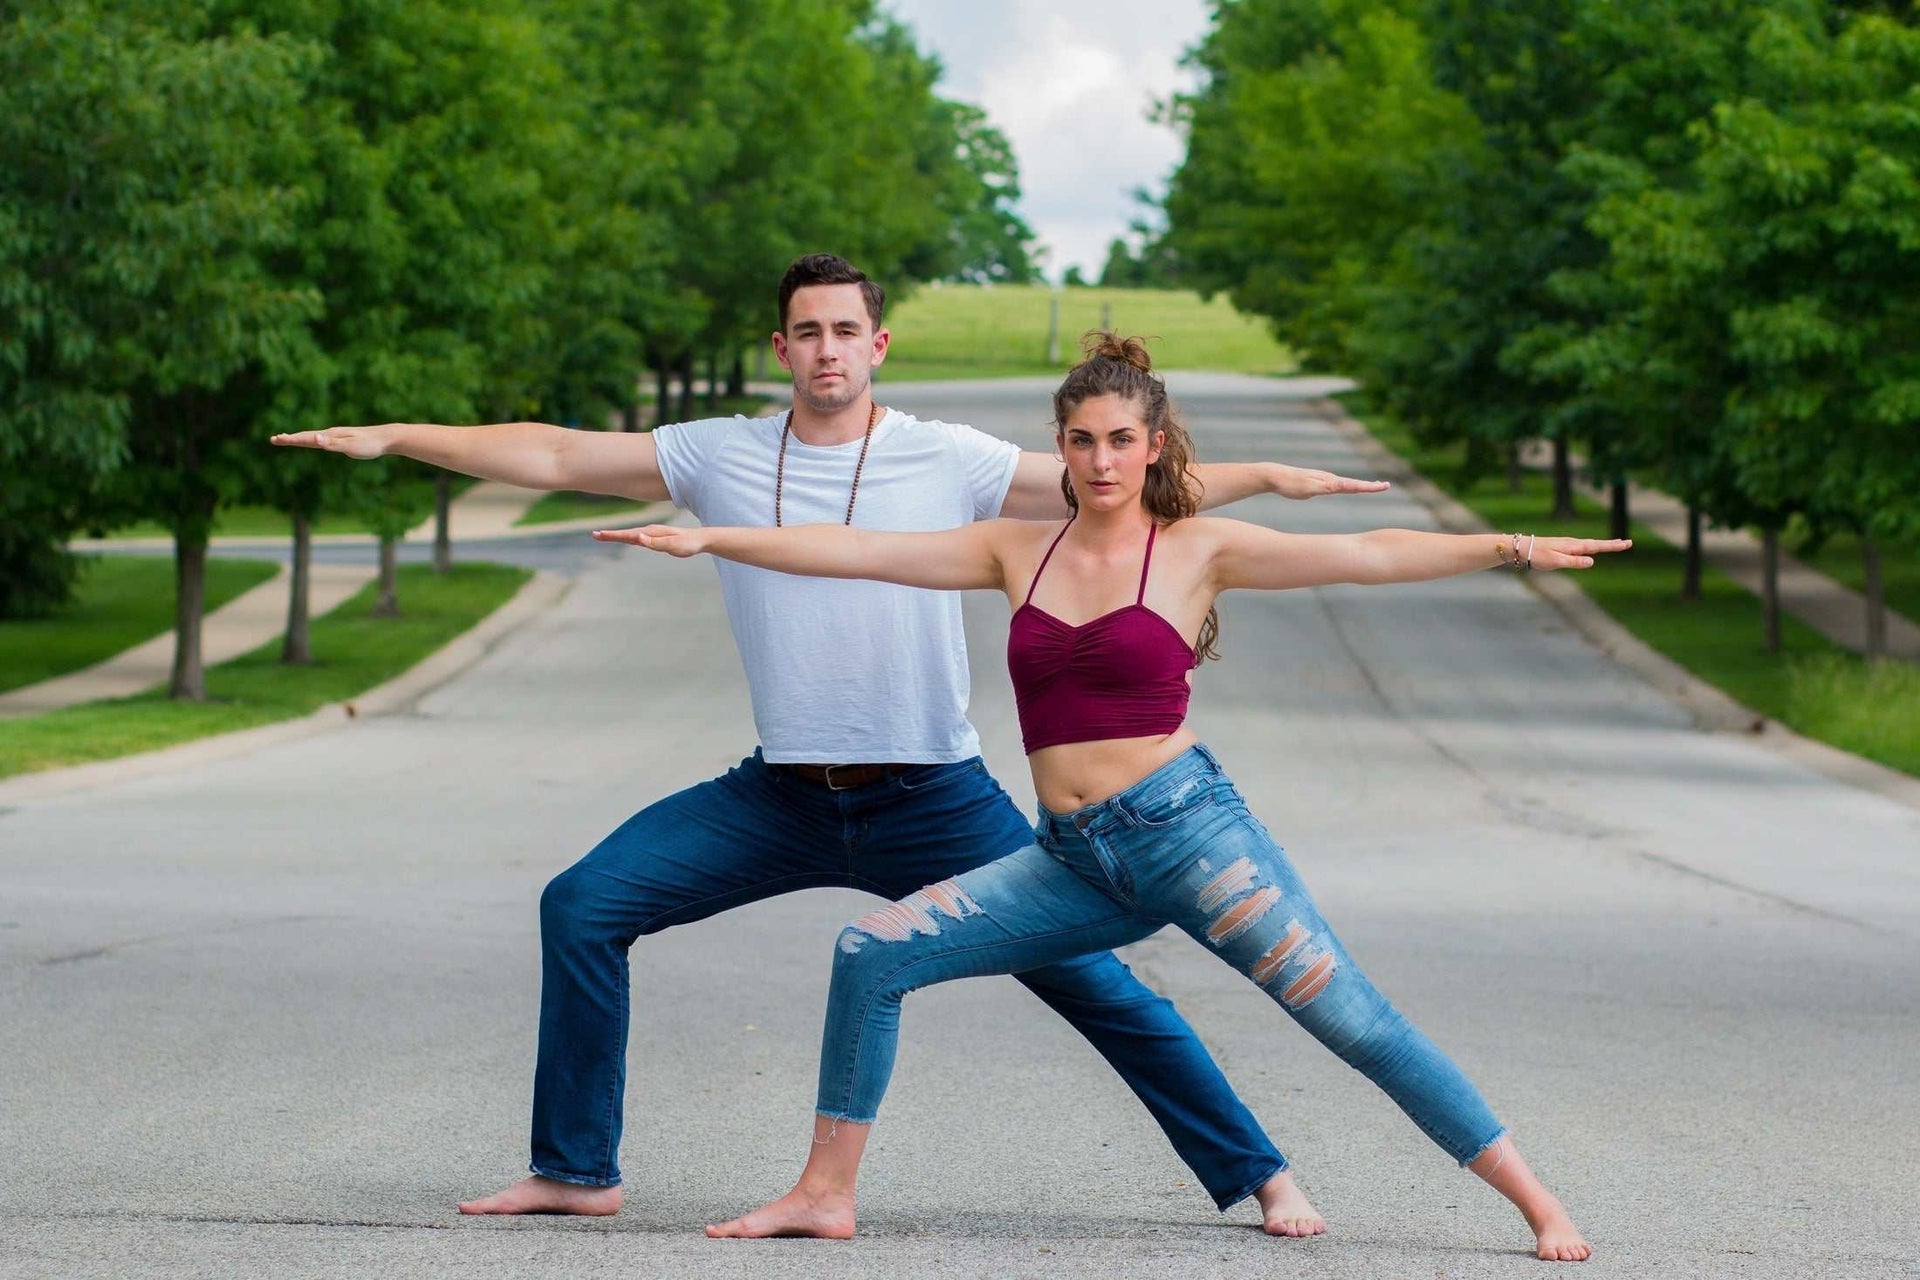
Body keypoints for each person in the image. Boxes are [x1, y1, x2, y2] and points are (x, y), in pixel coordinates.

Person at [270, 254, 1390, 1228]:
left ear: (878, 342)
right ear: (781, 345)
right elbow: (558, 457)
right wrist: (398, 438)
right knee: (583, 902)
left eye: (845, 329)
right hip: (779, 794)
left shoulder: (946, 455)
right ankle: (573, 1168)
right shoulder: (714, 451)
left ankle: (1261, 1173)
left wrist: (1271, 478)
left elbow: (1115, 480)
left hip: (934, 794)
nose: (826, 348)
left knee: (1095, 981)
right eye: (806, 330)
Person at [600, 332, 1619, 1261]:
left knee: (1356, 1023)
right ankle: (825, 1193)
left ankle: (1538, 1203)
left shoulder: (1197, 548)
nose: (1099, 460)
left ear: (1155, 444)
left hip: (1195, 839)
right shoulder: (1014, 545)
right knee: (872, 951)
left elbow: (1364, 556)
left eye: (1120, 439)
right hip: (1074, 856)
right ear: (1061, 444)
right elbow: (860, 548)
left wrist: (1513, 547)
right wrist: (712, 539)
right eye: (1081, 440)